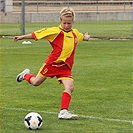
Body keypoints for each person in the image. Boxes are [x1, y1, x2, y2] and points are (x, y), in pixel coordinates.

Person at [13, 7, 90, 120]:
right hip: (52, 64)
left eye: (69, 23)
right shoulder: (55, 31)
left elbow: (81, 37)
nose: (67, 25)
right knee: (35, 82)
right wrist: (21, 37)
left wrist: (86, 37)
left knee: (70, 87)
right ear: (60, 21)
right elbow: (37, 35)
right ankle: (25, 75)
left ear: (73, 22)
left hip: (65, 67)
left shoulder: (75, 33)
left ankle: (63, 112)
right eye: (64, 23)